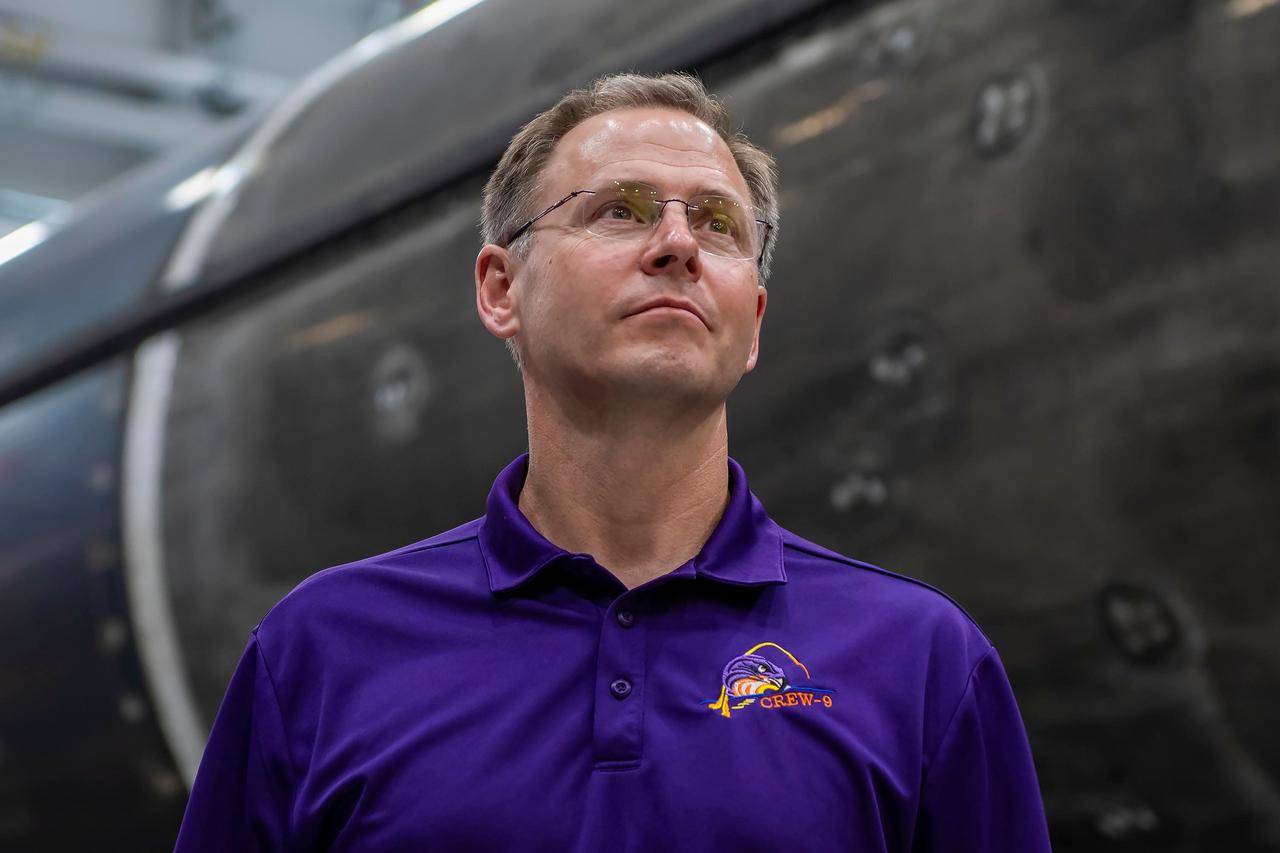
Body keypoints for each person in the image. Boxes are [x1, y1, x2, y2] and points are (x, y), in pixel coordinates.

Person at [174, 73, 1053, 852]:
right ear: (500, 288)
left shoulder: (921, 660)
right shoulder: (324, 650)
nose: (676, 244)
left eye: (716, 224)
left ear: (753, 317)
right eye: (620, 210)